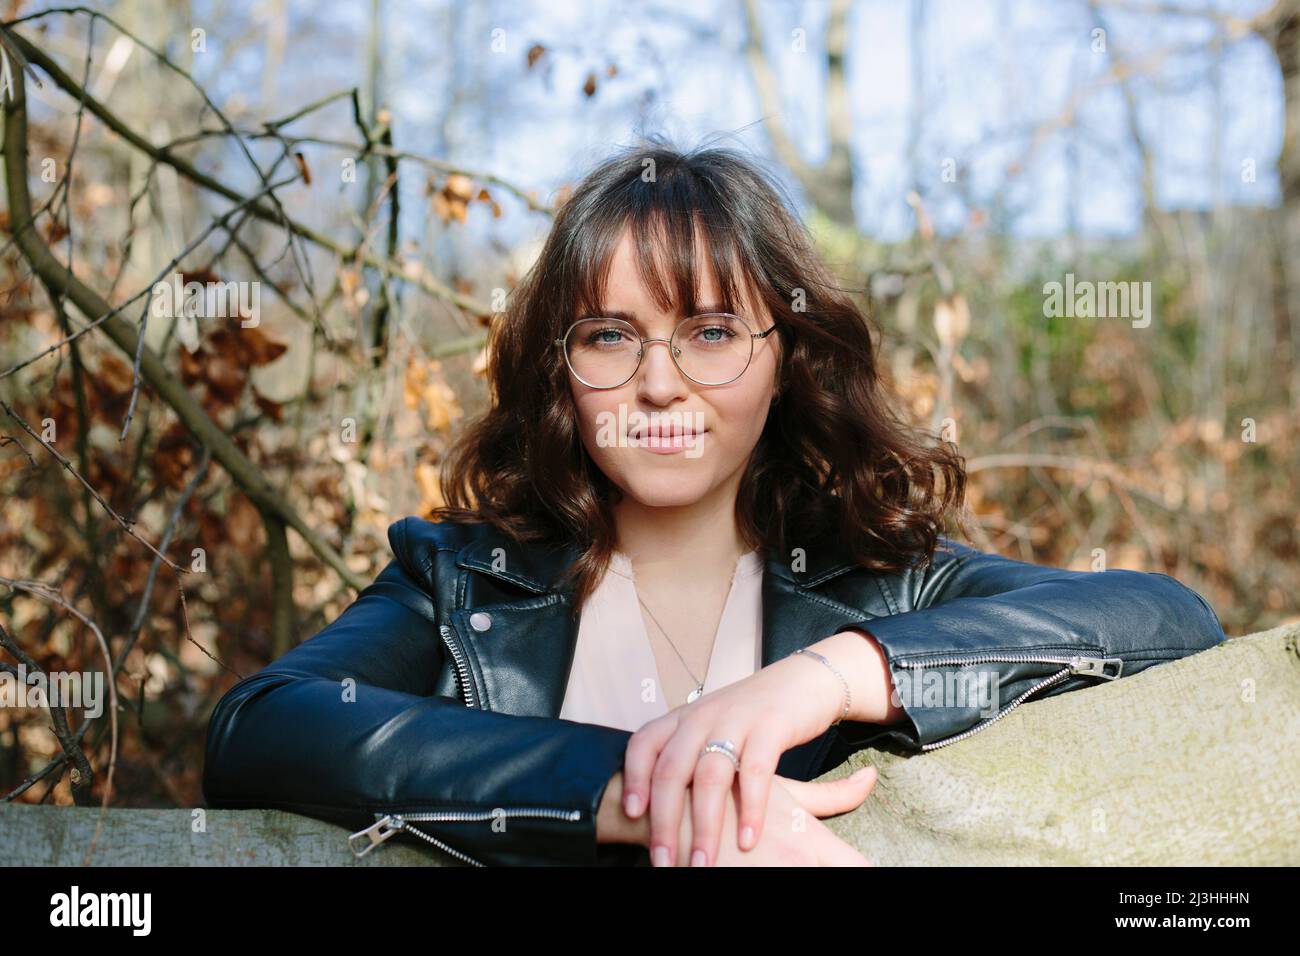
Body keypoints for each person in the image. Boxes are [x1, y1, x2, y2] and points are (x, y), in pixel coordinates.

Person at [202, 138, 1227, 867]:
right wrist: (640, 793)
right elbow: (257, 727)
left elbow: (1169, 622)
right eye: (608, 334)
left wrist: (829, 677)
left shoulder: (885, 576)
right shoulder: (460, 574)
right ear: (560, 370)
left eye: (708, 331)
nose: (658, 382)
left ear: (784, 362)